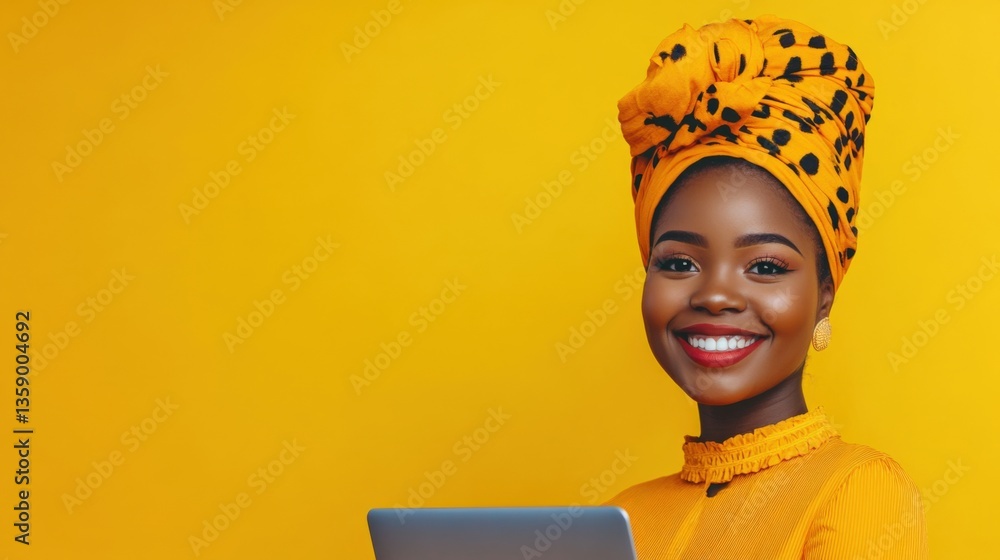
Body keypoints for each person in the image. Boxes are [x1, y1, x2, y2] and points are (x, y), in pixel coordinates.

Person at [605, 15, 928, 559]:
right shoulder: (621, 519)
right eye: (679, 262)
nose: (715, 295)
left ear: (824, 296)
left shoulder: (859, 490)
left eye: (766, 267)